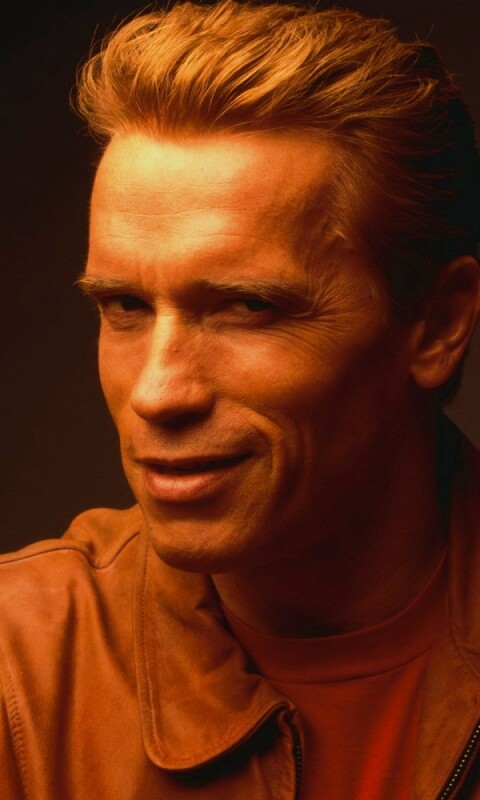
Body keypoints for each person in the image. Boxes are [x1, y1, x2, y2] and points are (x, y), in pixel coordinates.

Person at [1, 1, 480, 797]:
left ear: (436, 325)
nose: (157, 393)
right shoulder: (18, 667)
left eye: (247, 308)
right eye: (125, 306)